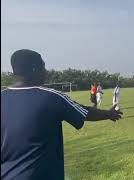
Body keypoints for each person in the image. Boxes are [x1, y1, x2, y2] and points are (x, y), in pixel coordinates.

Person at [1, 49, 123, 180]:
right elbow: (85, 113)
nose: (46, 72)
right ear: (34, 69)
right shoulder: (52, 97)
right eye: (43, 66)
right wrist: (109, 114)